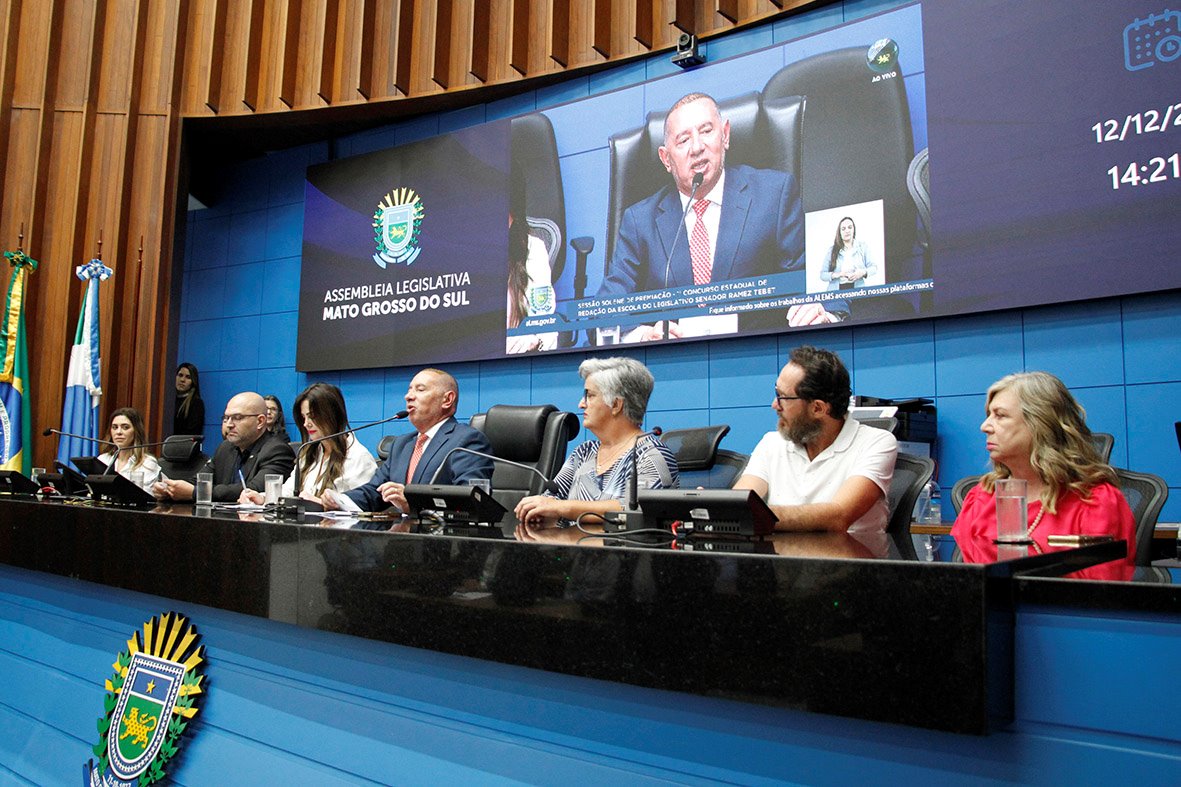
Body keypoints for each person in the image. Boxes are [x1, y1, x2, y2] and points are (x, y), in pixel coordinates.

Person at [597, 92, 841, 340]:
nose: (697, 147)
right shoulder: (639, 221)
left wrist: (823, 312)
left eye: (706, 131)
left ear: (725, 135)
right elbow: (604, 312)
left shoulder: (774, 195)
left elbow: (822, 285)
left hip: (759, 353)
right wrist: (643, 335)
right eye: (683, 140)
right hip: (676, 358)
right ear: (666, 158)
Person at [951, 372, 1135, 568]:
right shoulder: (982, 498)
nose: (985, 426)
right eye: (989, 415)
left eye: (1000, 415)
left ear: (1040, 423)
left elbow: (1100, 583)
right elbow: (969, 579)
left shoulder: (1095, 502)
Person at [733, 346, 897, 532]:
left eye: (782, 397)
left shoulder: (876, 443)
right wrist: (725, 510)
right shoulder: (772, 443)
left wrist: (757, 515)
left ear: (818, 408)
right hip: (782, 550)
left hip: (848, 550)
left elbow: (838, 517)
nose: (774, 405)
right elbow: (739, 503)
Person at [514, 357, 678, 535]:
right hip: (573, 548)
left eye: (590, 395)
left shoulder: (651, 455)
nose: (581, 404)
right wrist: (539, 509)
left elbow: (638, 509)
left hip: (627, 550)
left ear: (615, 404)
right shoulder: (584, 452)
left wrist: (563, 508)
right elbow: (551, 499)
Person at [322, 368, 493, 513]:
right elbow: (374, 492)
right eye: (409, 390)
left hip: (442, 537)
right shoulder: (402, 444)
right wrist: (338, 500)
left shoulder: (466, 441)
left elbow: (472, 499)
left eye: (420, 390)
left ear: (447, 400)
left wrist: (413, 503)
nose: (408, 396)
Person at [240, 383, 377, 504]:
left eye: (312, 416)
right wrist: (263, 498)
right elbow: (289, 491)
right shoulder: (308, 452)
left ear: (333, 415)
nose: (306, 424)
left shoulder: (359, 457)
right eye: (304, 417)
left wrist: (322, 504)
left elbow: (362, 508)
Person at [153, 392, 295, 502]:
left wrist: (196, 492)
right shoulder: (225, 447)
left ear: (260, 421)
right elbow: (199, 481)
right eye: (226, 418)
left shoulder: (278, 450)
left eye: (237, 418)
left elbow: (253, 490)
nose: (229, 424)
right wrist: (170, 489)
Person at [97, 407, 161, 492]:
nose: (118, 432)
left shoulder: (147, 463)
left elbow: (145, 496)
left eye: (125, 427)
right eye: (115, 427)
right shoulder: (102, 459)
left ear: (136, 431)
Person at [819, 217, 878, 291]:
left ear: (854, 229)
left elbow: (874, 268)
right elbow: (823, 275)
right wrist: (838, 274)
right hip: (836, 292)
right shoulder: (832, 250)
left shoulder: (863, 247)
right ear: (839, 232)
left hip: (858, 290)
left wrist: (863, 272)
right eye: (843, 229)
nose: (847, 231)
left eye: (850, 227)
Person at [172, 362, 204, 436]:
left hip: (182, 442)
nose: (182, 380)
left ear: (193, 381)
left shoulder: (196, 403)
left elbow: (193, 432)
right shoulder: (168, 400)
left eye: (188, 377)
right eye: (180, 375)